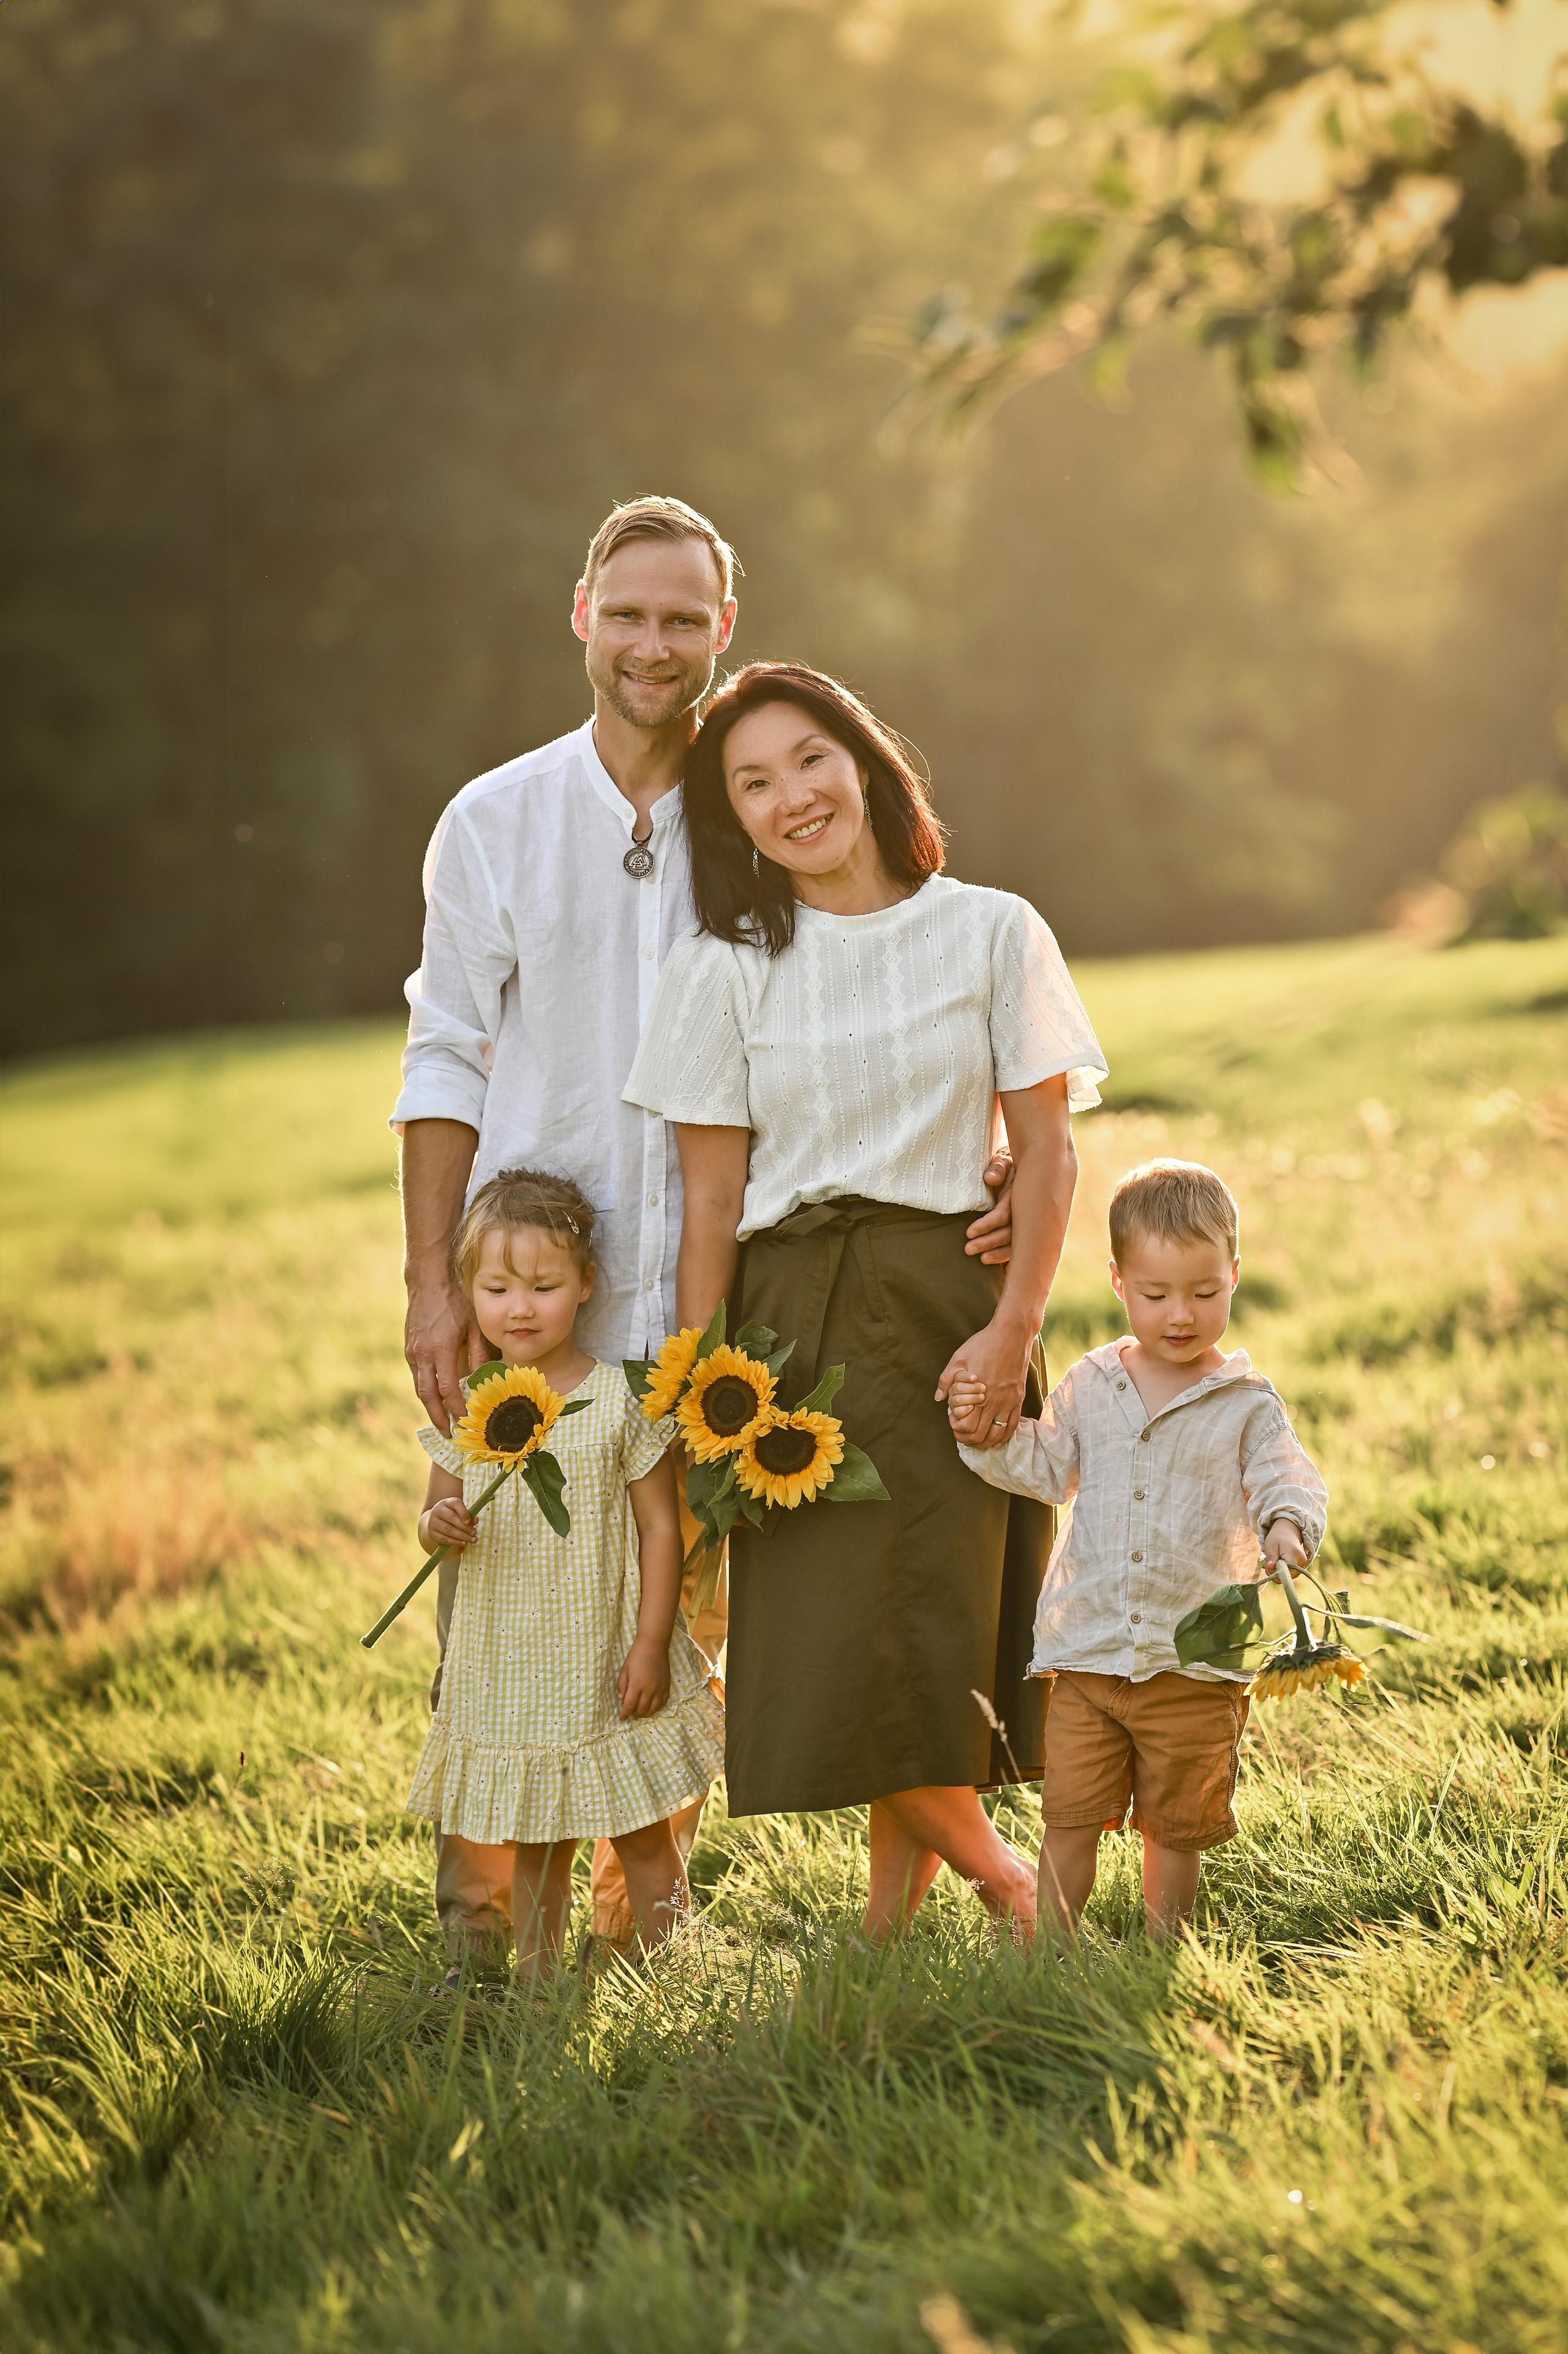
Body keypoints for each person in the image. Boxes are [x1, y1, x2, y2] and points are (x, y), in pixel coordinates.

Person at [393, 499, 1015, 1956]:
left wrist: (978, 1145)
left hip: (732, 1287)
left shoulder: (750, 820)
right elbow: (440, 1057)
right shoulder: (494, 820)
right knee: (509, 1594)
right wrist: (431, 1284)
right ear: (580, 615)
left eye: (684, 619)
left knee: (674, 1610)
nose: (653, 645)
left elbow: (880, 982)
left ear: (721, 630)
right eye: (629, 614)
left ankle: (646, 1901)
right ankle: (482, 1920)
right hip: (531, 1291)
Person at [622, 662, 1107, 1939]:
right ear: (730, 821)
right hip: (789, 1341)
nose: (792, 797)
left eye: (808, 760)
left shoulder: (993, 928)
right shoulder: (717, 971)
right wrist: (691, 1387)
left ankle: (886, 1937)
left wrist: (1011, 1331)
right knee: (849, 1634)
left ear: (865, 762)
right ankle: (1011, 1886)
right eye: (752, 784)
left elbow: (1047, 1150)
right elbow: (708, 1205)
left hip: (954, 1307)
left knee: (932, 1636)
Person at [949, 1159, 1329, 1936]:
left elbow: (1284, 1476)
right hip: (1089, 1651)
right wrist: (981, 1435)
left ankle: (1166, 1942)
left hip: (1193, 1661)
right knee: (1072, 1817)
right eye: (1157, 1295)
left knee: (1175, 1825)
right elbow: (1050, 1466)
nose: (1180, 1314)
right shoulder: (1094, 1384)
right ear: (1120, 1283)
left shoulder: (1244, 1402)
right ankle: (1045, 1950)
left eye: (1204, 1292)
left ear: (1233, 1276)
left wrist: (1285, 1526)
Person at [406, 1167, 725, 1977]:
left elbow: (661, 1528)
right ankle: (544, 1992)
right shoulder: (474, 1404)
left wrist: (654, 1643)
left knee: (641, 1826)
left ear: (586, 1284)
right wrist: (437, 1525)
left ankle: (666, 1975)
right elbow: (437, 1516)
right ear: (468, 1290)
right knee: (540, 1841)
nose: (520, 1306)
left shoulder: (618, 1400)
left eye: (544, 1284)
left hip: (607, 1650)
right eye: (497, 1286)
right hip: (514, 1664)